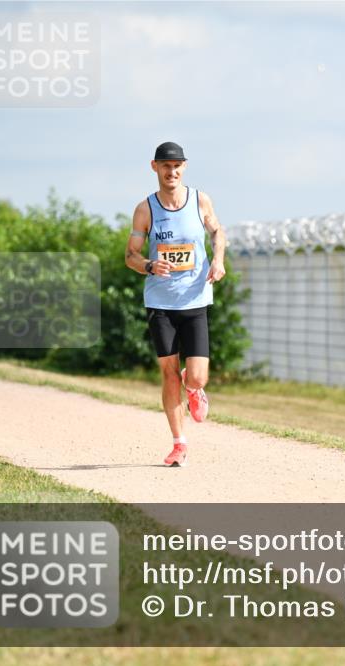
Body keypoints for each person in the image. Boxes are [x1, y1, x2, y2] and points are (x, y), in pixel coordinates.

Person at [125, 141, 227, 467]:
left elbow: (217, 232)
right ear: (154, 167)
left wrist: (218, 260)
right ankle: (178, 444)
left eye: (177, 166)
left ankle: (193, 387)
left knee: (196, 377)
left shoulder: (200, 200)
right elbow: (130, 255)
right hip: (160, 302)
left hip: (195, 299)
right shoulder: (145, 210)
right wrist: (149, 265)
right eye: (166, 166)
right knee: (168, 372)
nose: (172, 172)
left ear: (184, 167)